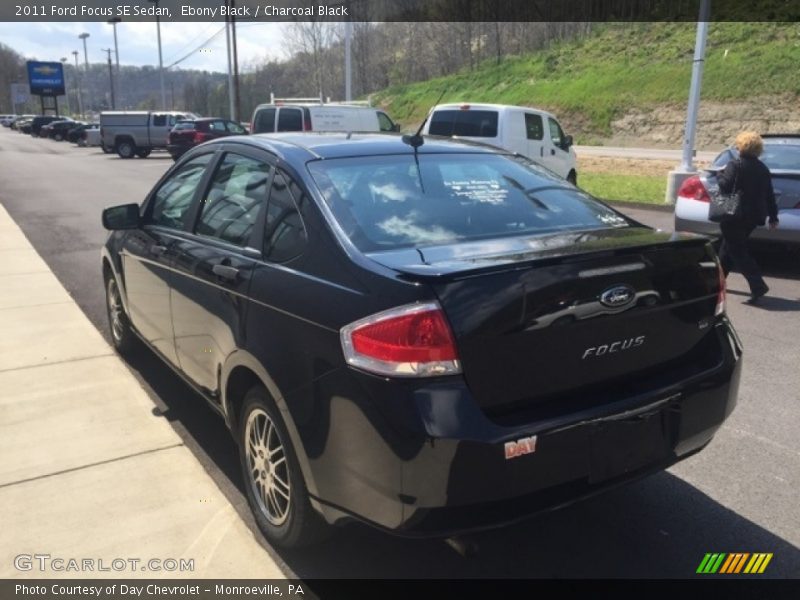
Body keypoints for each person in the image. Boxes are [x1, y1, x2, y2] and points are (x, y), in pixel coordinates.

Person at [716, 131, 779, 303]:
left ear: (741, 147)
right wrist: (773, 217)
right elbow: (769, 195)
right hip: (752, 218)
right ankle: (715, 284)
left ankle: (758, 285)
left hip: (733, 215)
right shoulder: (762, 169)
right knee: (726, 251)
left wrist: (719, 174)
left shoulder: (735, 165)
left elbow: (725, 186)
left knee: (737, 252)